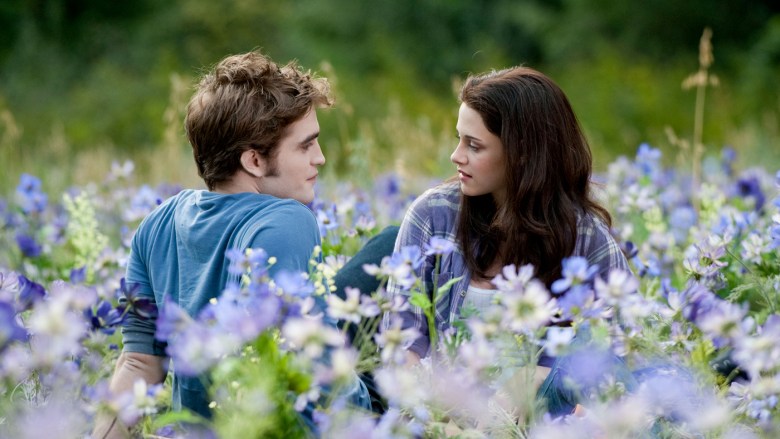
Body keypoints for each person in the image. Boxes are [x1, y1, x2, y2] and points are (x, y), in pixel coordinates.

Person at [93, 50, 356, 438]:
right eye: (305, 145)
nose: (321, 158)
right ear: (253, 161)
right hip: (333, 424)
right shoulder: (287, 220)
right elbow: (311, 382)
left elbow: (136, 364)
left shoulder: (157, 222)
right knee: (386, 248)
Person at [382, 66, 632, 416]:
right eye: (459, 138)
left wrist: (537, 382)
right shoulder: (433, 215)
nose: (457, 155)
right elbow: (401, 340)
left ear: (523, 154)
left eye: (474, 145)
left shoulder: (587, 239)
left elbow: (622, 361)